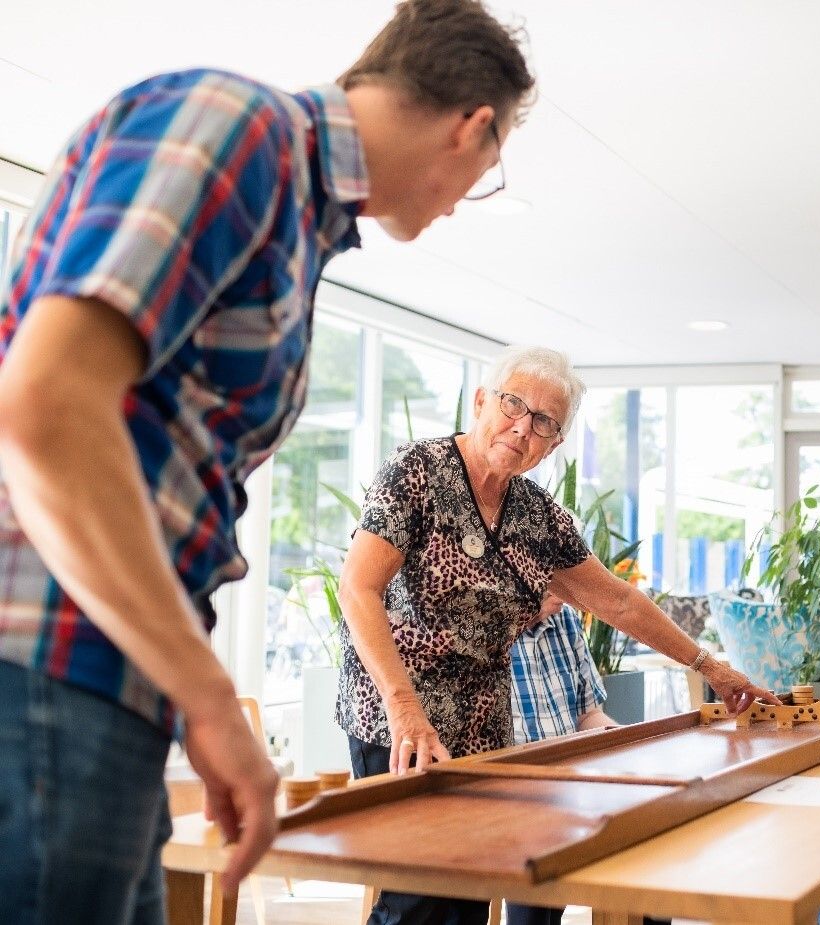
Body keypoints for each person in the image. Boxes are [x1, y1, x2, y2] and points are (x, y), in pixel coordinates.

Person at [0, 2, 533, 921]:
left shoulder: (297, 213)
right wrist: (212, 701)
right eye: (485, 176)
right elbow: (45, 406)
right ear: (471, 127)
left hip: (110, 676)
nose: (458, 204)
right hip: (47, 658)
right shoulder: (239, 131)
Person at [336, 344, 777, 925]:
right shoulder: (417, 473)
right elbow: (357, 588)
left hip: (482, 727)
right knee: (418, 899)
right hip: (399, 717)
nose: (523, 427)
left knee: (468, 896)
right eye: (513, 405)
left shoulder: (537, 515)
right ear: (480, 401)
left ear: (555, 443)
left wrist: (712, 668)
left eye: (544, 421)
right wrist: (404, 708)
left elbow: (619, 601)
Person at [503, 593, 668, 925]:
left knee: (647, 843)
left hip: (569, 782)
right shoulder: (488, 625)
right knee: (539, 867)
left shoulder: (565, 620)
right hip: (512, 789)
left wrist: (637, 746)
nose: (566, 587)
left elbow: (588, 715)